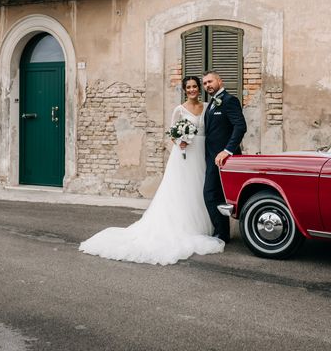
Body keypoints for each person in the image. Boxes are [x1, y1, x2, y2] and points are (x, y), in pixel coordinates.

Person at [79, 76, 224, 265]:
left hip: (203, 153)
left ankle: (206, 224)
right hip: (184, 155)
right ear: (184, 90)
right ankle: (185, 226)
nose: (192, 90)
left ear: (199, 88)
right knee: (183, 190)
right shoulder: (179, 110)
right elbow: (172, 133)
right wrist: (181, 141)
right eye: (188, 87)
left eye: (195, 86)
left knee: (202, 188)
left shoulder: (207, 107)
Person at [202, 70, 247, 243]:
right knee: (218, 195)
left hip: (224, 158)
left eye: (210, 82)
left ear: (220, 81)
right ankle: (223, 233)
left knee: (210, 193)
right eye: (205, 83)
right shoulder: (211, 104)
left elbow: (240, 126)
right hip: (211, 157)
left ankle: (220, 234)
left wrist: (227, 150)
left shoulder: (230, 100)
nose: (207, 86)